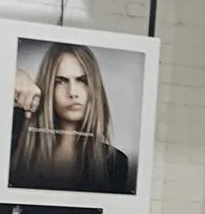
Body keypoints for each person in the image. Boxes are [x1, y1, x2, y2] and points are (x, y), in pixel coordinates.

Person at [10, 41, 134, 194]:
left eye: (82, 81)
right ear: (48, 87)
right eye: (60, 82)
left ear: (94, 87)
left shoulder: (115, 163)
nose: (72, 92)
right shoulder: (16, 135)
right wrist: (13, 73)